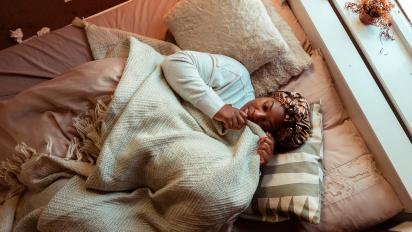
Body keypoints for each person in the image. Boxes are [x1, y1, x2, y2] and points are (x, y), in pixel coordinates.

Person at [161, 51, 311, 166]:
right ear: (269, 95)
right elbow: (174, 62)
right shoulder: (236, 78)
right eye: (265, 106)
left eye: (265, 123)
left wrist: (256, 164)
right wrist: (219, 108)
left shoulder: (251, 142)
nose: (256, 114)